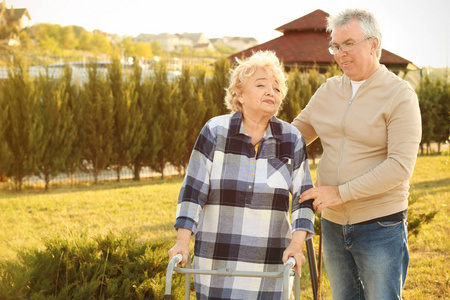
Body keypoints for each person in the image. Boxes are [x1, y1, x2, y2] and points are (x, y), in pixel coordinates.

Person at [292, 8, 422, 300]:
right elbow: (293, 137)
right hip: (333, 225)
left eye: (349, 44)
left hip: (380, 225)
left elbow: (400, 166)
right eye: (336, 46)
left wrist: (341, 192)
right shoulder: (328, 90)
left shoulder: (400, 95)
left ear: (374, 44)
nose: (340, 53)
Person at [168, 50, 315, 299]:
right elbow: (193, 191)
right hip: (217, 263)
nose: (271, 91)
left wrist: (297, 245)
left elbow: (304, 199)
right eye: (261, 85)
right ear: (239, 95)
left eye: (277, 88)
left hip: (271, 265)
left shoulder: (291, 139)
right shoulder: (215, 131)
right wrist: (183, 241)